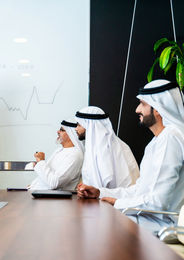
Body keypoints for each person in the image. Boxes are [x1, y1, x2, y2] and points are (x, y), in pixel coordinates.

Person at [78, 80, 184, 232]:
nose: (136, 109)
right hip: (146, 219)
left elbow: (157, 203)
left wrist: (117, 203)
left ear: (158, 108)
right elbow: (139, 190)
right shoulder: (157, 141)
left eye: (142, 104)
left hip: (161, 226)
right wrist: (100, 192)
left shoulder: (171, 137)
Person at [75, 106, 139, 188]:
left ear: (90, 126)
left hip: (115, 198)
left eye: (79, 125)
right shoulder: (93, 147)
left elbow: (109, 182)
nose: (76, 129)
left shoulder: (107, 147)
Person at [28, 119, 84, 190]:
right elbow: (47, 177)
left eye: (62, 130)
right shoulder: (59, 150)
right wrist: (33, 185)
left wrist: (41, 161)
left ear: (71, 134)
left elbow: (54, 183)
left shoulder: (75, 155)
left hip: (51, 199)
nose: (57, 132)